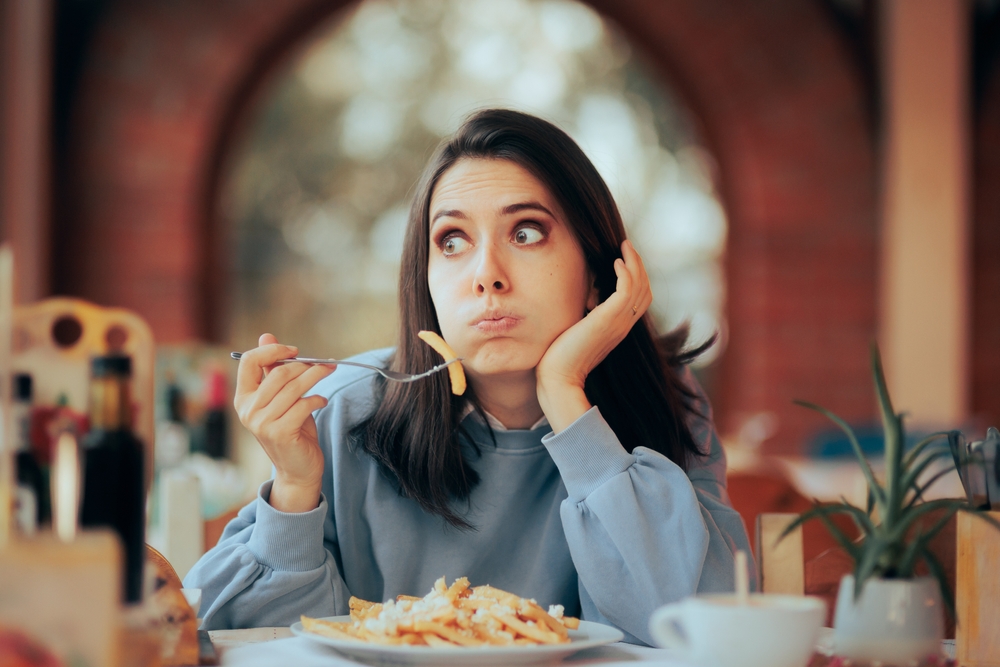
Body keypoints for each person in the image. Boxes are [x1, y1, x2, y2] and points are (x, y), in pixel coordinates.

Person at [183, 108, 753, 646]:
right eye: (452, 241)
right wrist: (293, 492)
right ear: (425, 280)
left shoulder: (668, 405)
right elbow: (244, 646)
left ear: (597, 276)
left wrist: (565, 396)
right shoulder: (339, 413)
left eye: (526, 232)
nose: (487, 276)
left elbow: (701, 633)